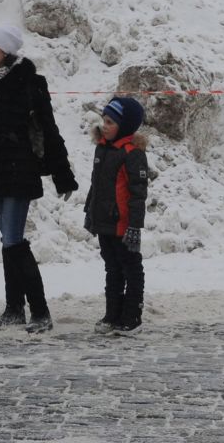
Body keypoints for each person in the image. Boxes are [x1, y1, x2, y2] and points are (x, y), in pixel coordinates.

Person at [0, 25, 77, 334]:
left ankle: (39, 311)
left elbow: (48, 130)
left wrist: (62, 175)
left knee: (13, 241)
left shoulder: (31, 83)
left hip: (20, 171)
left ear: (6, 50)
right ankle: (14, 309)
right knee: (8, 242)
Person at [84, 95, 148, 335]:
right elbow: (96, 186)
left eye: (111, 122)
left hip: (124, 224)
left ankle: (132, 316)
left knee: (130, 268)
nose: (105, 125)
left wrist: (134, 226)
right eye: (104, 120)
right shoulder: (102, 149)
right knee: (112, 269)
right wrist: (90, 213)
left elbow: (137, 194)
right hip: (105, 222)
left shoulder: (132, 153)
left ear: (125, 126)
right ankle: (113, 314)